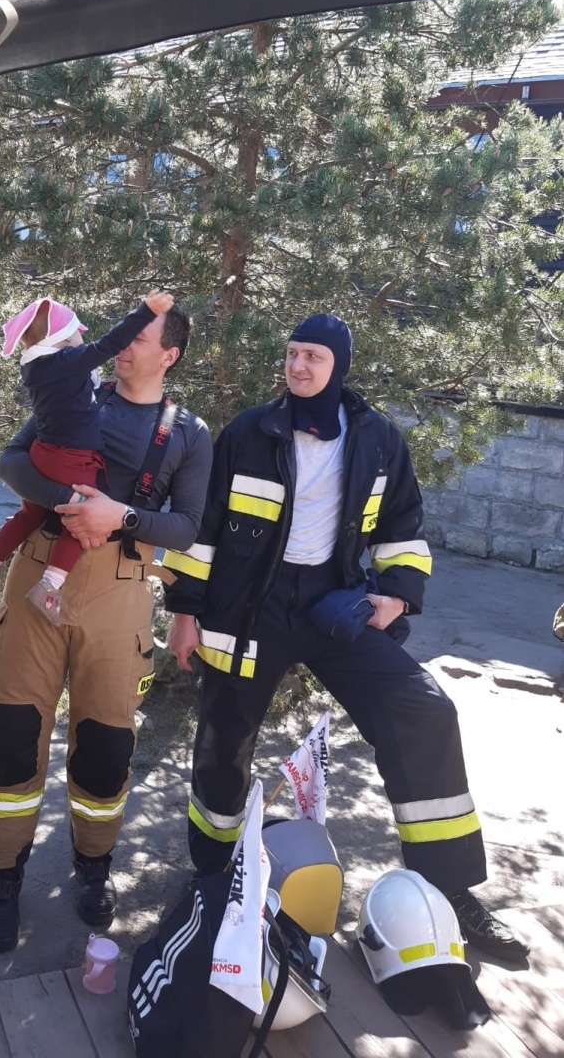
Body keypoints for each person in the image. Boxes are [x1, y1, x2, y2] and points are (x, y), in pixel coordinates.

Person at [164, 312, 529, 963]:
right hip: (249, 611)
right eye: (292, 354)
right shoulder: (248, 434)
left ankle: (447, 891)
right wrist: (184, 611)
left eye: (313, 357)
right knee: (224, 734)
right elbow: (205, 530)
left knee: (424, 712)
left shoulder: (376, 439)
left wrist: (395, 595)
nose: (298, 366)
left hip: (336, 606)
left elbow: (402, 525)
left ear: (338, 366)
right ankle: (212, 878)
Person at [0, 302, 212, 952]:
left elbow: (188, 526)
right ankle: (1, 879)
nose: (124, 346)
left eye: (139, 338)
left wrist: (120, 517)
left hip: (121, 591)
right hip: (39, 572)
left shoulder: (187, 432)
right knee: (11, 734)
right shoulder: (76, 393)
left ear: (170, 354)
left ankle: (93, 866)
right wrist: (72, 502)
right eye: (124, 335)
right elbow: (13, 463)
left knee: (106, 748)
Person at [0, 290, 174, 624]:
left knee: (29, 515)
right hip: (72, 460)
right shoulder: (63, 364)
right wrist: (145, 310)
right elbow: (107, 344)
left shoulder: (39, 367)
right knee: (80, 522)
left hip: (44, 452)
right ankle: (50, 585)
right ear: (61, 338)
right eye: (76, 332)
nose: (82, 337)